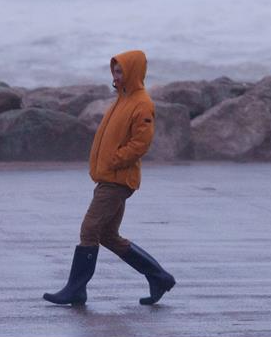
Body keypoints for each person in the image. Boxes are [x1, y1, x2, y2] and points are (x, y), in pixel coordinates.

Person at [43, 49, 176, 306]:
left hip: (117, 179)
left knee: (89, 229)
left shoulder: (142, 103)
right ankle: (159, 277)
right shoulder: (122, 99)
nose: (116, 75)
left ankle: (75, 289)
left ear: (133, 72)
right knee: (107, 235)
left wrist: (115, 160)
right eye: (114, 71)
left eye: (121, 71)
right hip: (108, 177)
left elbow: (141, 143)